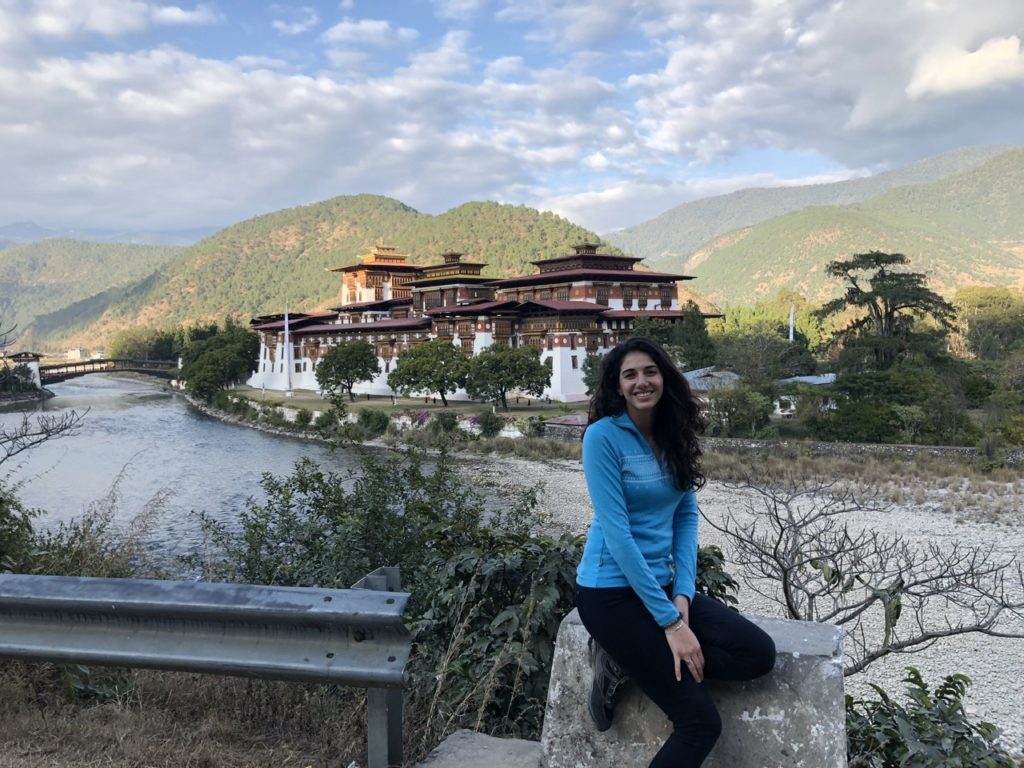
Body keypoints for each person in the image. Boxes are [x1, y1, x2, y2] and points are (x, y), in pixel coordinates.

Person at [575, 336, 776, 767]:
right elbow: (617, 533)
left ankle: (626, 661)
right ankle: (623, 652)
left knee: (758, 653)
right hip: (609, 594)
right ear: (617, 385)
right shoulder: (602, 438)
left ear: (665, 377)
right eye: (630, 374)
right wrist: (669, 624)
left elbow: (685, 519)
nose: (642, 382)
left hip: (662, 588)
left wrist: (681, 599)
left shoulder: (672, 434)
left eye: (650, 371)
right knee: (700, 724)